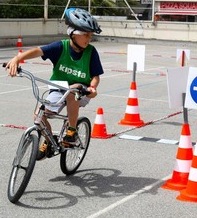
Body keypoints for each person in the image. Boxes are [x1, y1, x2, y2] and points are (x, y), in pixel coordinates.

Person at [5, 8, 104, 160]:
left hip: (81, 91)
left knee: (72, 91)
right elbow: (38, 51)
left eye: (90, 35)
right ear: (73, 33)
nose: (89, 38)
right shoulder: (60, 47)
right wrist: (17, 59)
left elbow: (96, 76)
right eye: (86, 34)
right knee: (39, 115)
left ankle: (71, 131)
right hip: (58, 90)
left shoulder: (91, 52)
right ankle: (49, 140)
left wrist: (93, 86)